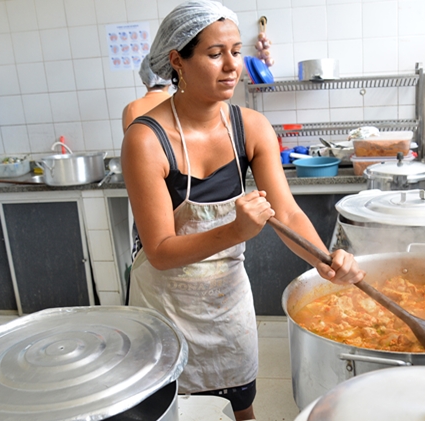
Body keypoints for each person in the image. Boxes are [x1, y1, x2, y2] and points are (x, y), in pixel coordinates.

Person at [121, 1, 365, 420]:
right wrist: (236, 231)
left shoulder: (250, 127)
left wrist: (323, 259)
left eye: (236, 51)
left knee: (240, 407)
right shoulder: (145, 140)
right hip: (165, 304)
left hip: (226, 303)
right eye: (215, 54)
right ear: (178, 60)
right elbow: (160, 251)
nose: (232, 65)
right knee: (176, 412)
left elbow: (285, 213)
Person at [121, 58, 172, 132]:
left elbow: (129, 140)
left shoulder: (131, 108)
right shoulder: (181, 105)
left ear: (144, 81)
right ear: (170, 80)